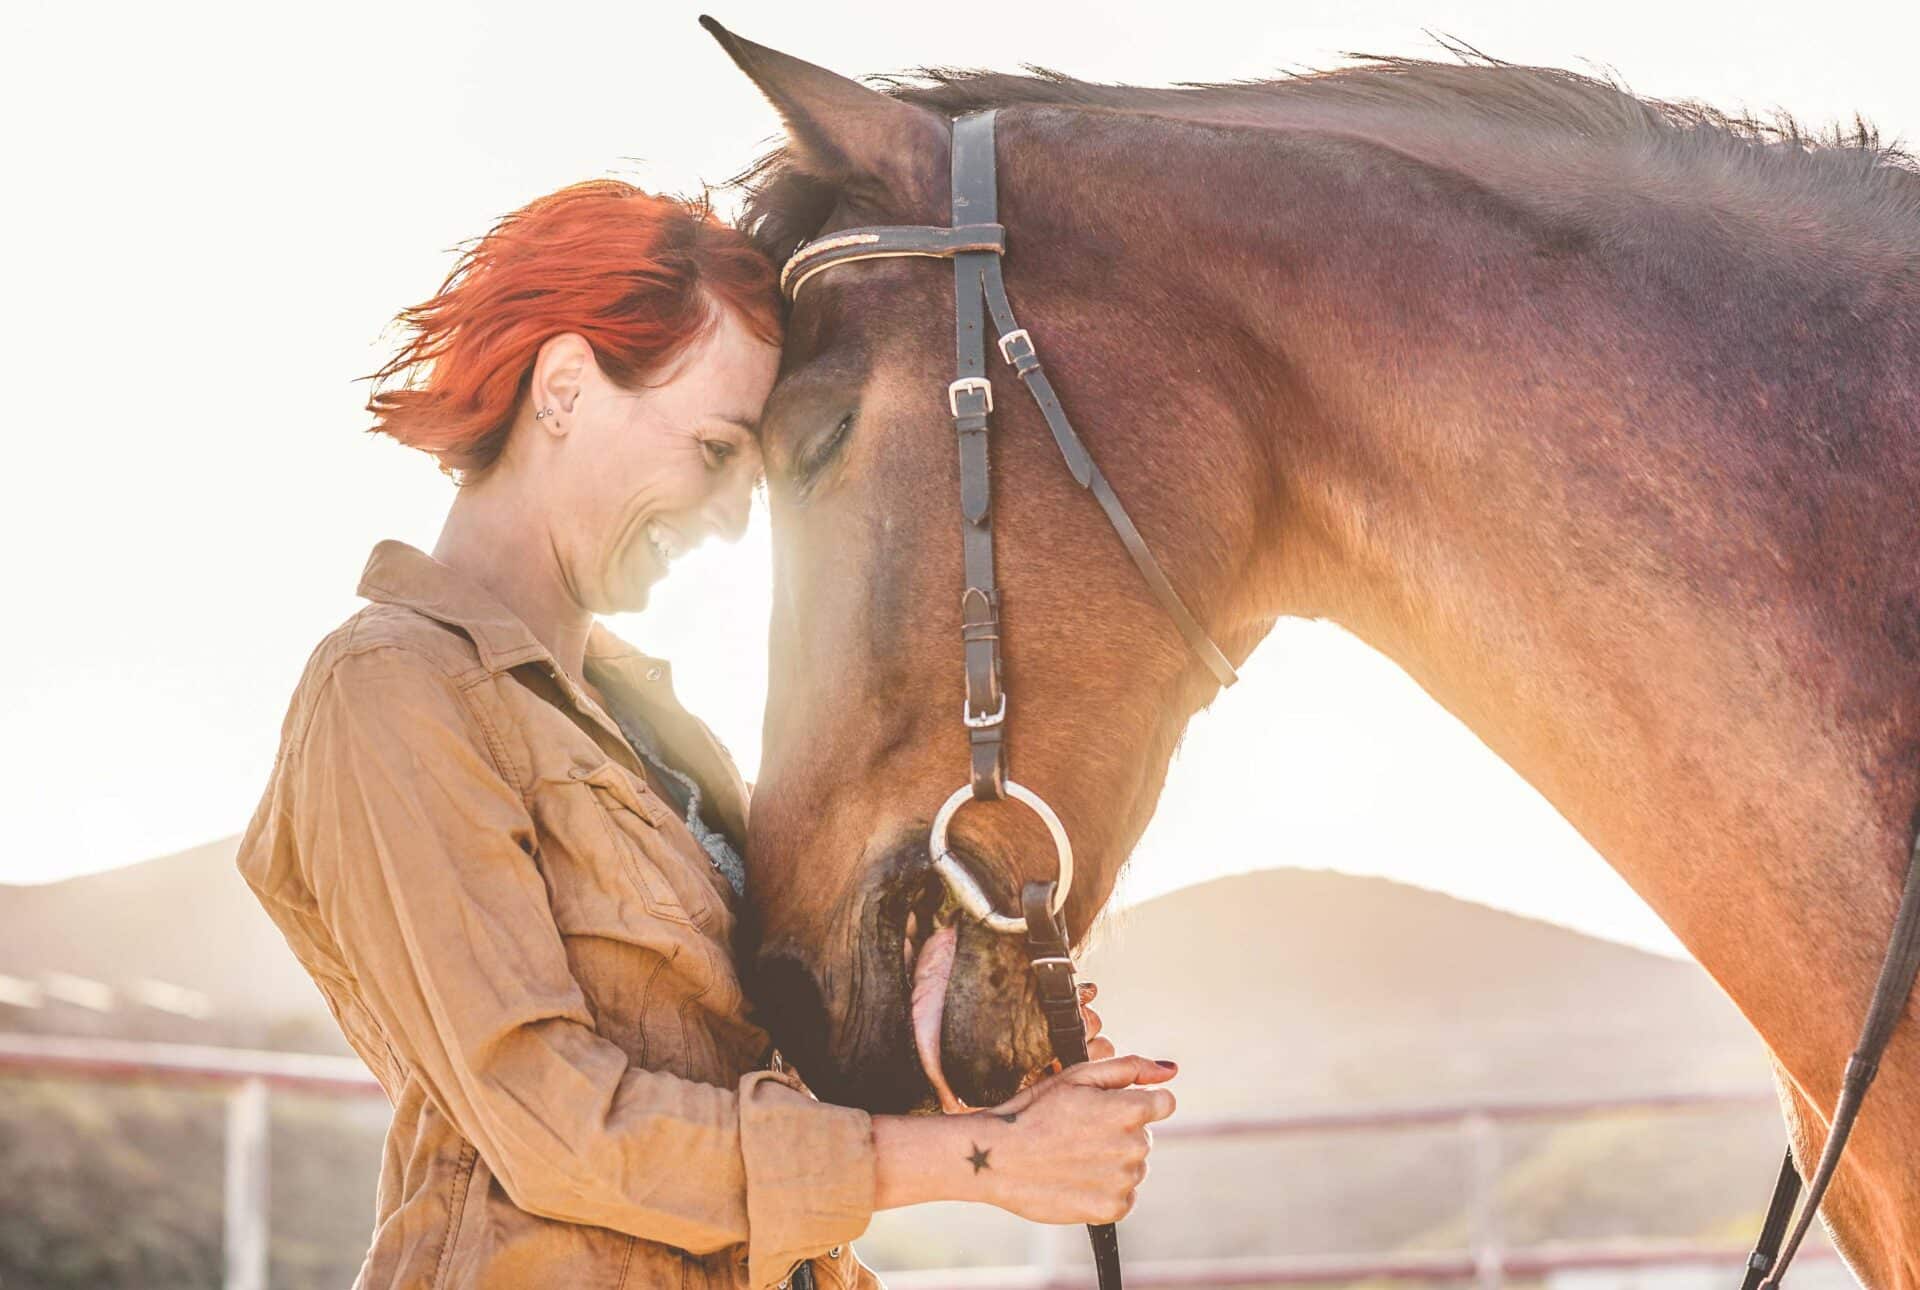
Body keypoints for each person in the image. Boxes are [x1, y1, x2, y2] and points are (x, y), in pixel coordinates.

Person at [235, 179, 1177, 1290]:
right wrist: (985, 1163)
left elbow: (740, 1081)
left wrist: (963, 1050)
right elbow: (559, 1126)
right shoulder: (392, 690)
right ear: (567, 387)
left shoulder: (649, 725)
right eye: (719, 450)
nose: (734, 520)